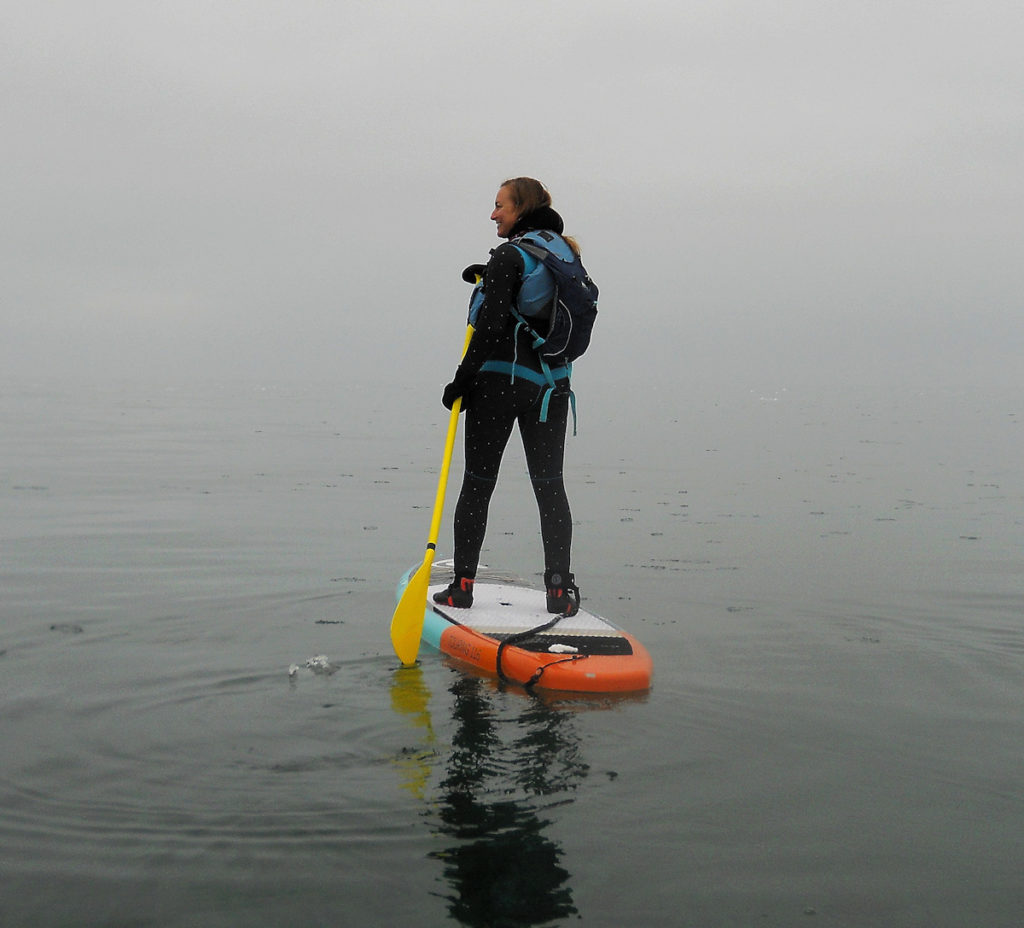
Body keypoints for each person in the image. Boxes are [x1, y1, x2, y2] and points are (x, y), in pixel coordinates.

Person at [434, 177, 582, 616]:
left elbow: (491, 327)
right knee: (550, 487)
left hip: (498, 384)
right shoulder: (565, 254)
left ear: (521, 209)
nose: (493, 214)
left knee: (478, 485)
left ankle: (461, 587)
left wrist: (460, 381)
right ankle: (558, 592)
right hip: (552, 389)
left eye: (499, 206)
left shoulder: (509, 255)